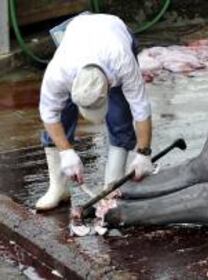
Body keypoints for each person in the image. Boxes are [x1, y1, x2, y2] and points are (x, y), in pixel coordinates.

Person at [36, 13, 154, 211]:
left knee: (120, 114)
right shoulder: (59, 71)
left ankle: (111, 187)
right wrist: (66, 152)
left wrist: (143, 153)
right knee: (62, 115)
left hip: (114, 29)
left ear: (108, 85)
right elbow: (48, 114)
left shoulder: (121, 61)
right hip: (78, 33)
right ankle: (58, 188)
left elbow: (141, 108)